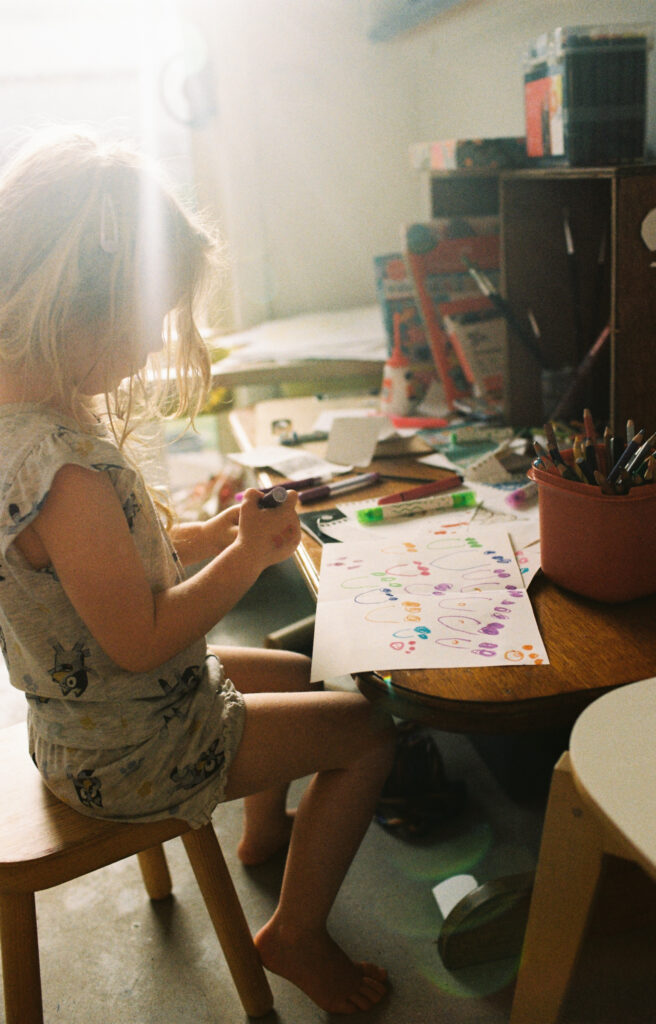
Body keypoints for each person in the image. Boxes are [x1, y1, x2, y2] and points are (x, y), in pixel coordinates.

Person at [0, 128, 395, 1015]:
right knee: (371, 732)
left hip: (82, 723)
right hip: (135, 743)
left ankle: (263, 835)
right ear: (79, 307)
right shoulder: (66, 470)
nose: (145, 356)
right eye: (145, 330)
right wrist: (251, 559)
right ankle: (294, 932)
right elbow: (141, 640)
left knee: (296, 672)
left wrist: (209, 534)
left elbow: (106, 572)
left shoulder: (18, 428)